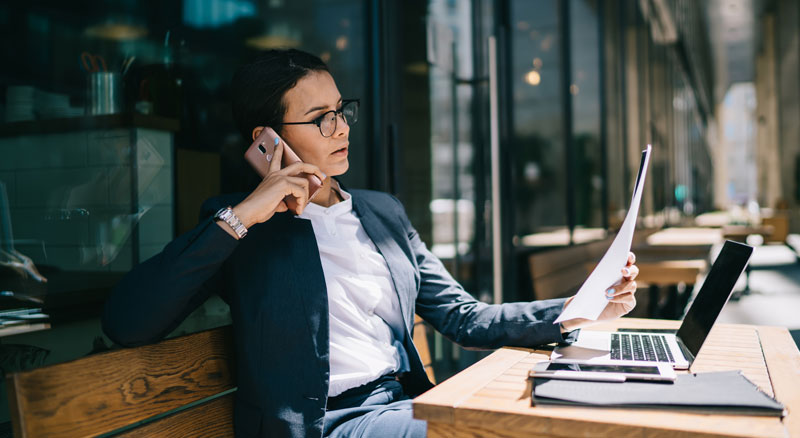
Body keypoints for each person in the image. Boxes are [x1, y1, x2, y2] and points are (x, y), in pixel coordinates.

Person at [102, 49, 639, 438]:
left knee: (570, 414)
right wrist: (243, 215)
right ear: (267, 139)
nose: (341, 129)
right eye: (320, 119)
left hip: (408, 405)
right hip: (329, 426)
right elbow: (128, 322)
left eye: (341, 111)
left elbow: (464, 318)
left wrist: (579, 311)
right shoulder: (241, 229)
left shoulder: (382, 212)